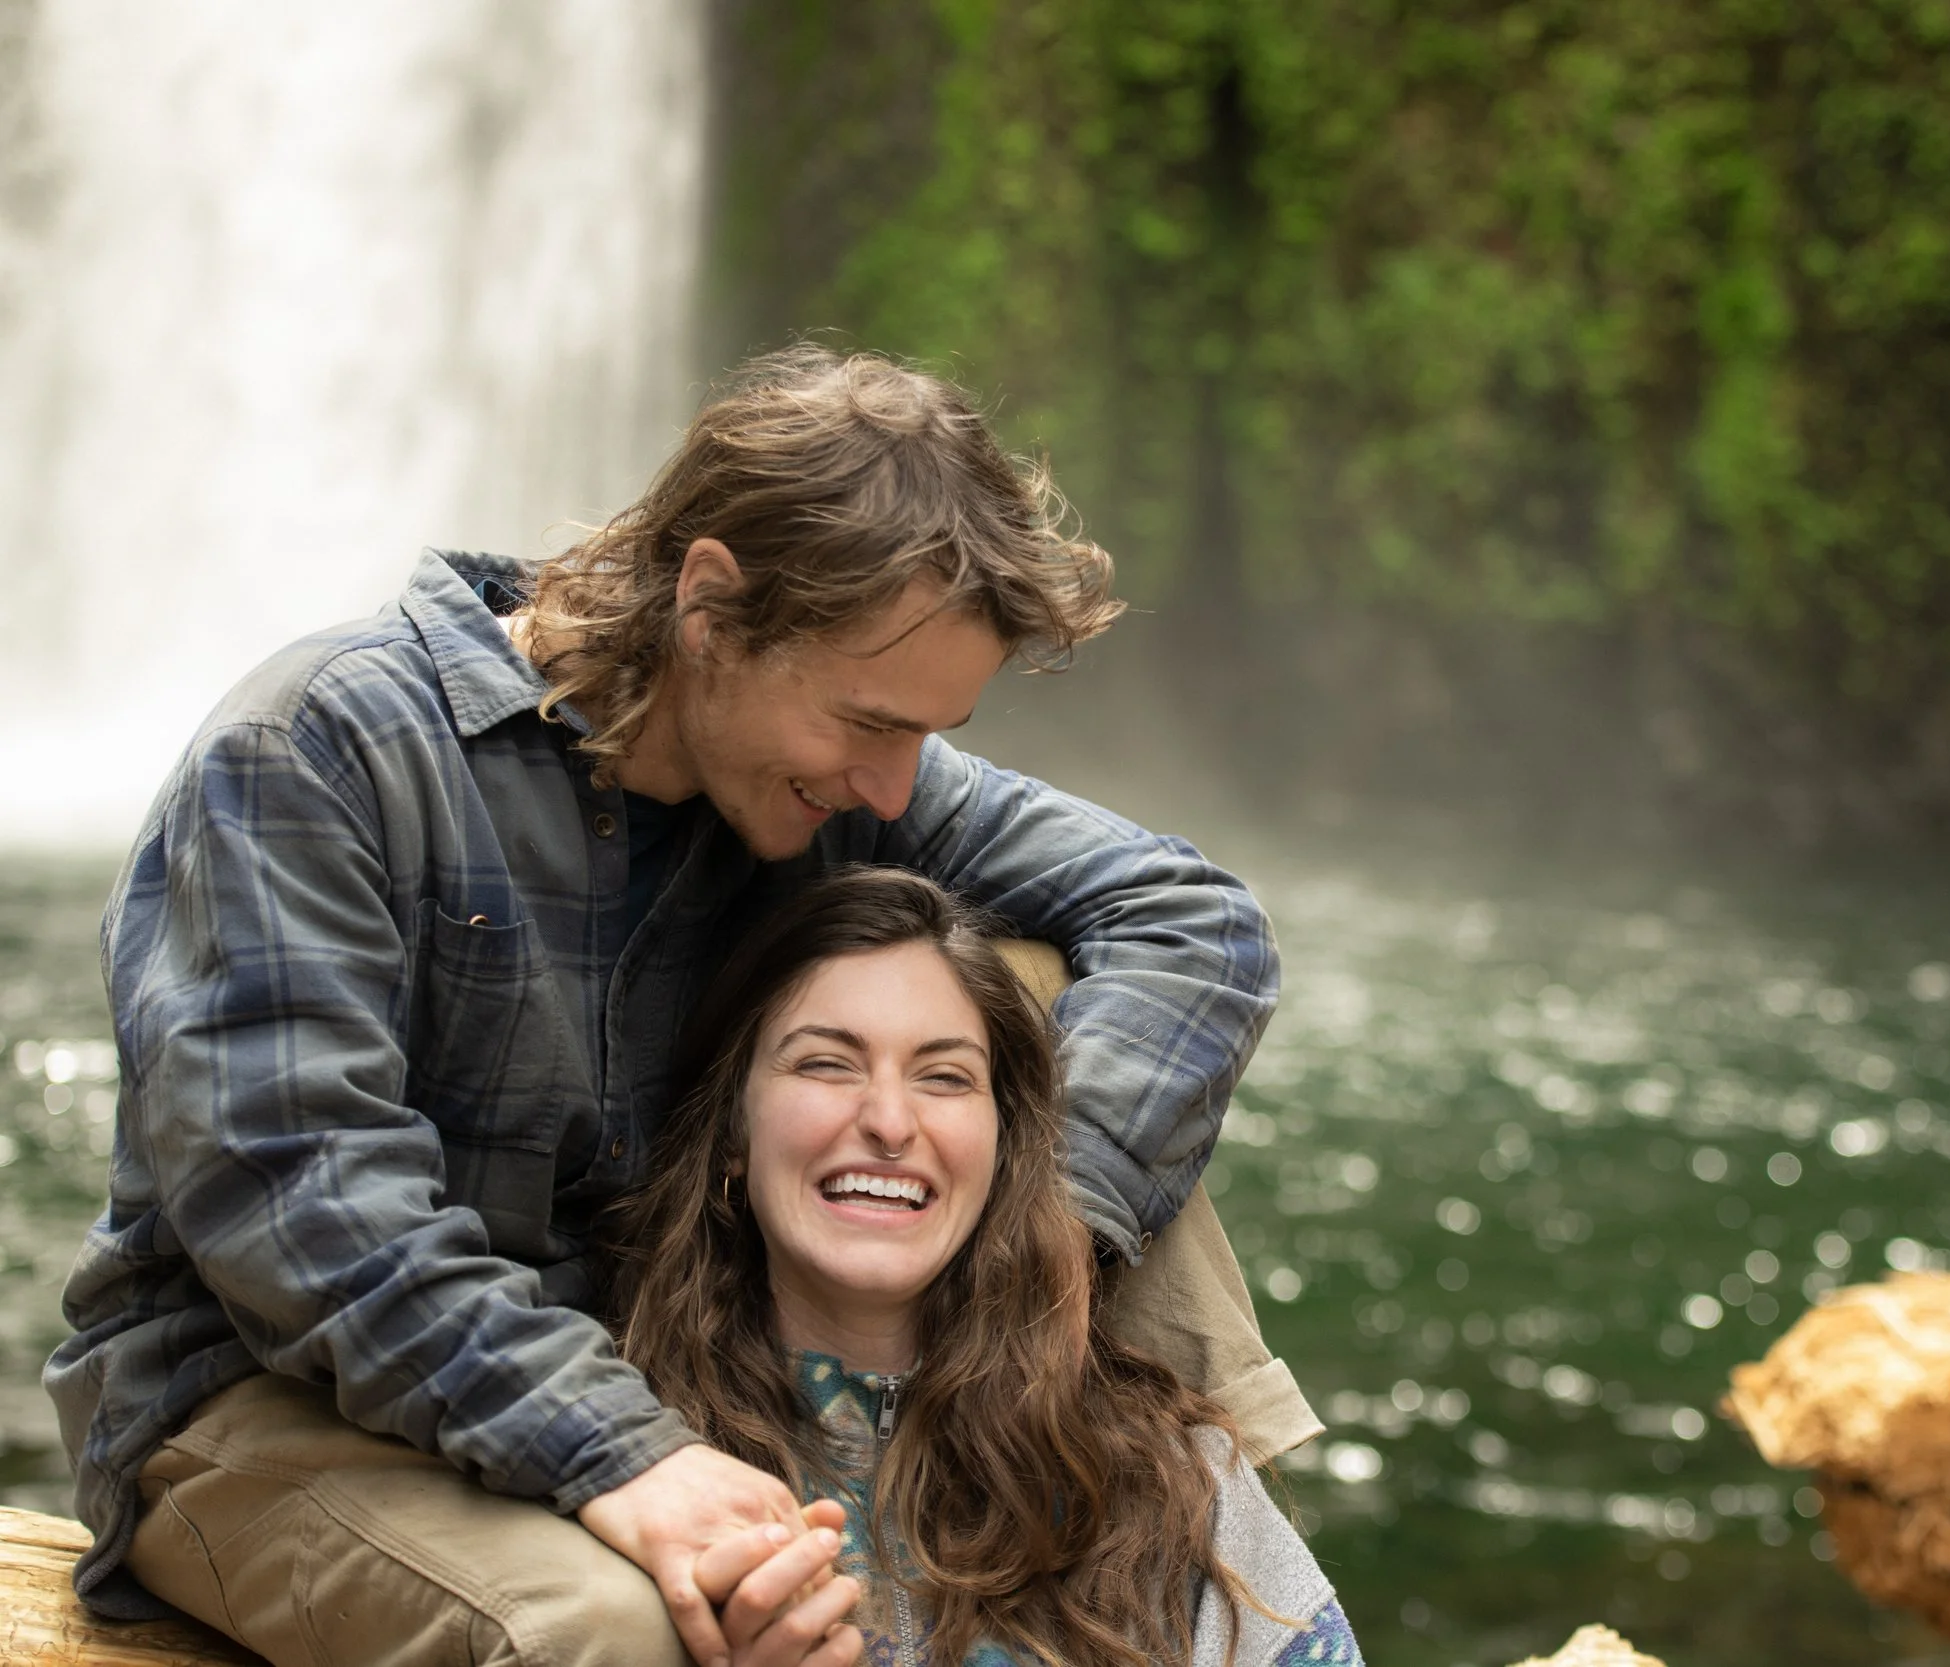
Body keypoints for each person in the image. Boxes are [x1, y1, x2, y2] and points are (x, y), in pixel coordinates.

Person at [46, 347, 1317, 1667]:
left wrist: (1057, 1221)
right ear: (711, 606)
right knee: (617, 1631)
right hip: (264, 1394)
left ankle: (1231, 1581)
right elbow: (295, 1197)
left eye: (924, 737)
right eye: (869, 722)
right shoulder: (320, 745)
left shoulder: (839, 774)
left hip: (638, 1376)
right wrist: (628, 1456)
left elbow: (1193, 919)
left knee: (1020, 1026)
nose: (896, 789)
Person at [608, 866, 1361, 1667]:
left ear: (1005, 1150)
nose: (890, 1121)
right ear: (731, 1130)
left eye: (944, 1076)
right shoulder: (621, 1463)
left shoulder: (1168, 1472)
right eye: (827, 1063)